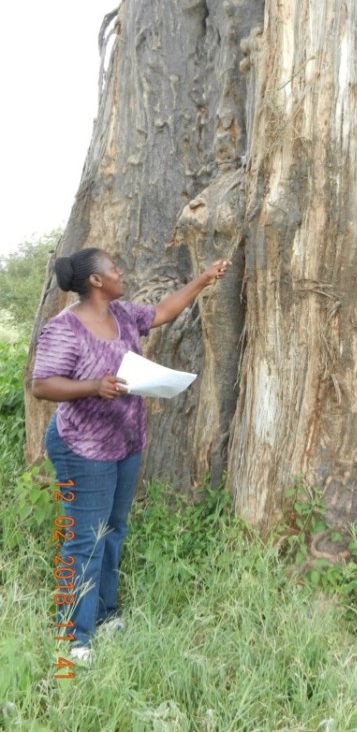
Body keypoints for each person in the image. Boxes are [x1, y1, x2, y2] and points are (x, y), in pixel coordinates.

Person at [31, 248, 231, 662]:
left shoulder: (121, 315)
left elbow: (159, 313)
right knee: (85, 539)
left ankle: (106, 613)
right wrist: (92, 386)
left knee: (114, 530)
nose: (121, 271)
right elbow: (43, 385)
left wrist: (203, 278)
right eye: (113, 267)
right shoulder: (64, 328)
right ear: (96, 282)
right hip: (82, 449)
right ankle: (76, 638)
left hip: (125, 443)